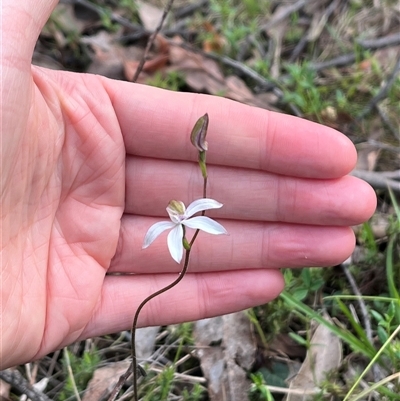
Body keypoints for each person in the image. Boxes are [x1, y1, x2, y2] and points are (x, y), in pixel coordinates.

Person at [1, 0, 376, 369]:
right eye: (175, 211)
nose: (175, 210)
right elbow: (166, 236)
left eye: (178, 210)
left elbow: (204, 217)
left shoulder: (197, 213)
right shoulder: (174, 223)